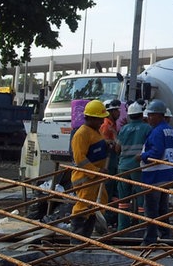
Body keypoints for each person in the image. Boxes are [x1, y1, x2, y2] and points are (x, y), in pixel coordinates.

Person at [69, 99, 110, 244]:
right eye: (99, 119)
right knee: (82, 208)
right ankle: (76, 242)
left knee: (94, 209)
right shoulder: (82, 133)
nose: (101, 122)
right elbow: (80, 159)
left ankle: (85, 241)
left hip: (96, 179)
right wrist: (96, 171)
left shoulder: (94, 132)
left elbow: (96, 147)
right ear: (91, 118)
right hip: (86, 179)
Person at [139, 99, 173, 245]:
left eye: (151, 115)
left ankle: (150, 239)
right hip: (166, 174)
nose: (148, 118)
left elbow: (155, 153)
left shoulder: (157, 132)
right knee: (163, 208)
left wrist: (141, 156)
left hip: (154, 176)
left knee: (151, 210)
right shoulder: (170, 130)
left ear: (159, 115)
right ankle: (165, 235)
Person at [115, 101, 151, 231]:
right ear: (142, 115)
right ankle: (142, 227)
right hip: (138, 167)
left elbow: (117, 149)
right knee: (141, 197)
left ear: (129, 116)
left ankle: (122, 228)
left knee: (123, 200)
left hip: (123, 166)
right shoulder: (147, 128)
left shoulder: (124, 129)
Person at [100, 99, 121, 228]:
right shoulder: (106, 126)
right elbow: (104, 144)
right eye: (116, 110)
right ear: (110, 111)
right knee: (107, 190)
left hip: (113, 162)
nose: (119, 112)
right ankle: (105, 218)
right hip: (108, 162)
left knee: (113, 191)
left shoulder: (112, 125)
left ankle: (111, 217)